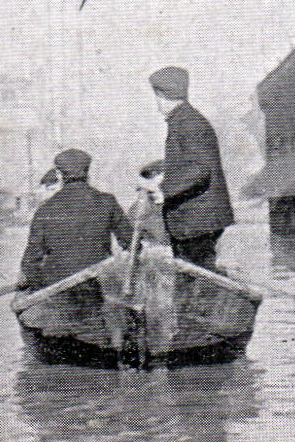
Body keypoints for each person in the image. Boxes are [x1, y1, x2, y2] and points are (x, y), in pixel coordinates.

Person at [149, 66, 234, 269]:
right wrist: (162, 169)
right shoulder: (185, 120)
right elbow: (191, 161)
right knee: (194, 276)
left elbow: (199, 168)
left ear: (162, 95)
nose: (157, 104)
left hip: (197, 220)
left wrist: (164, 191)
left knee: (196, 278)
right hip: (198, 218)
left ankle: (196, 301)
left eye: (157, 96)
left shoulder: (189, 123)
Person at [17, 149, 133, 292]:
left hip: (59, 289)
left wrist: (37, 286)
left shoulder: (45, 209)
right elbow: (132, 245)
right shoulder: (108, 201)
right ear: (87, 172)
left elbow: (30, 263)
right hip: (98, 285)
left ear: (59, 175)